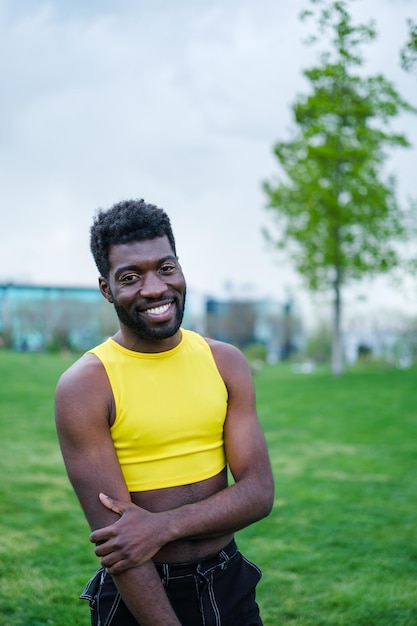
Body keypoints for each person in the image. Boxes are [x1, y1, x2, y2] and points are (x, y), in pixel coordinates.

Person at [55, 198, 274, 626]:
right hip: (141, 595)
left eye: (166, 268)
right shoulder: (85, 386)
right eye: (131, 277)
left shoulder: (225, 362)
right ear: (106, 288)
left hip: (229, 582)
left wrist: (161, 527)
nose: (155, 288)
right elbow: (123, 548)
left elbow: (259, 492)